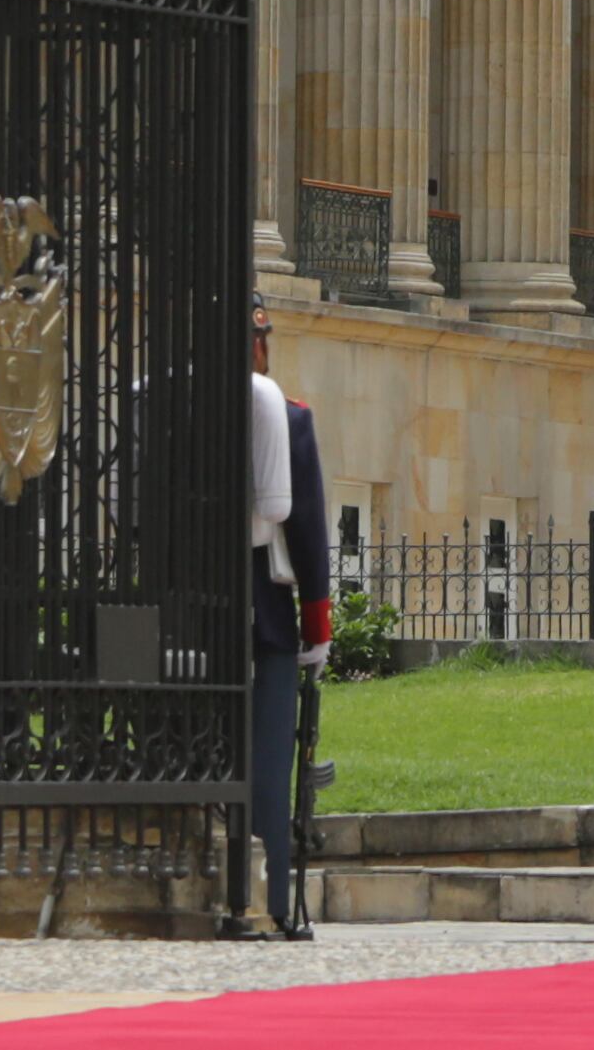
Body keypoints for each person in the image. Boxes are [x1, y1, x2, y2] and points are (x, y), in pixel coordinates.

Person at [246, 319, 336, 938]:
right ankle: (271, 896)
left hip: (177, 614)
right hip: (264, 615)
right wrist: (316, 624)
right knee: (271, 770)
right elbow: (304, 531)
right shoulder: (287, 414)